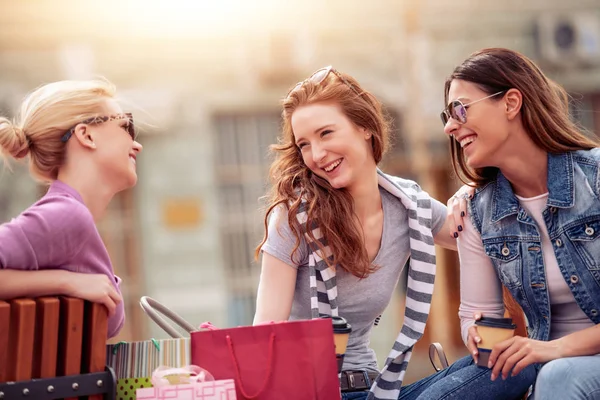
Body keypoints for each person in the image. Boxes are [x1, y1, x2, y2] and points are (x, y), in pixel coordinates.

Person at [252, 65, 498, 400]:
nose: (317, 155)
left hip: (376, 389)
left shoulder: (408, 206)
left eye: (326, 134)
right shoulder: (293, 219)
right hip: (309, 391)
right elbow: (267, 333)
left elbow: (491, 243)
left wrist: (469, 193)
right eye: (304, 145)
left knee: (507, 366)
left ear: (364, 128)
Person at [444, 48, 600, 399]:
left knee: (560, 377)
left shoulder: (596, 180)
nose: (450, 125)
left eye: (460, 108)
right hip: (545, 367)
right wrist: (482, 336)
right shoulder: (476, 211)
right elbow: (475, 313)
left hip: (561, 370)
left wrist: (555, 350)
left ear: (511, 103)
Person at [0, 79, 143, 338]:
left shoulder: (73, 217)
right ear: (86, 135)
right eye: (125, 126)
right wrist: (67, 281)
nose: (137, 144)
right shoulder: (65, 216)